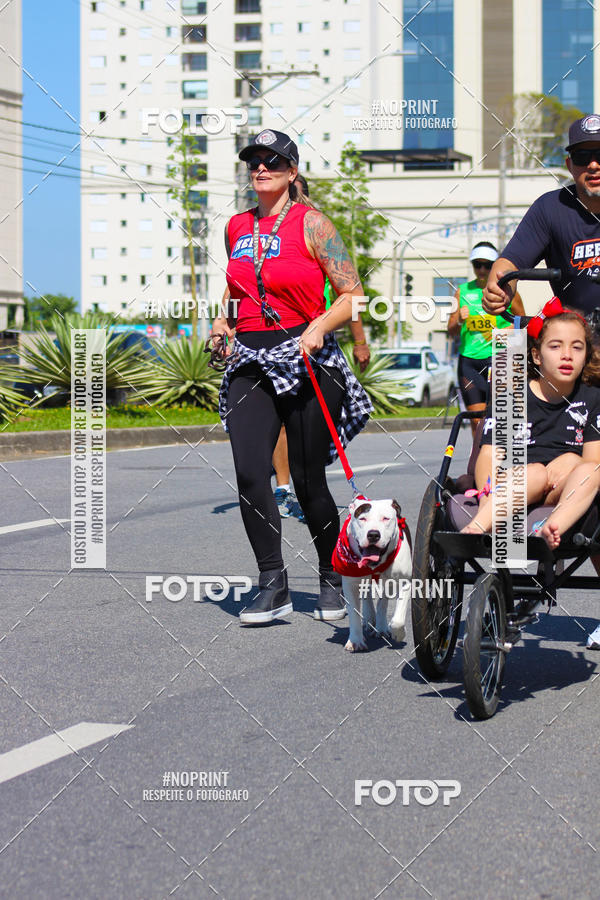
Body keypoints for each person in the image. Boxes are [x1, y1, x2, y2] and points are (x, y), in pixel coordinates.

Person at [210, 129, 372, 625]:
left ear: (292, 171)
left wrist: (322, 326)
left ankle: (329, 574)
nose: (261, 168)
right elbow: (236, 289)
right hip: (249, 359)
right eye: (254, 161)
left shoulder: (314, 225)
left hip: (305, 355)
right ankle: (272, 583)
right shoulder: (236, 226)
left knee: (307, 480)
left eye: (273, 161)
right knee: (250, 472)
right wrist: (222, 321)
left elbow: (352, 295)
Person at [482, 114, 600, 649]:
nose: (594, 165)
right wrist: (496, 283)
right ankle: (521, 563)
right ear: (570, 164)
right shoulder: (553, 208)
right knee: (509, 367)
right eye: (583, 157)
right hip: (575, 353)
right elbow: (510, 260)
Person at [271, 173, 371, 520]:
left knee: (309, 429)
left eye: (295, 194)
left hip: (320, 345)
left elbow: (350, 294)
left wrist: (359, 342)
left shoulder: (316, 233)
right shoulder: (267, 239)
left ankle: (307, 482)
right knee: (282, 420)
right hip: (278, 346)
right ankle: (283, 487)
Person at [460, 308, 600, 555]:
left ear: (586, 354)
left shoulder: (592, 398)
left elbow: (592, 462)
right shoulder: (513, 397)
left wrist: (571, 462)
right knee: (535, 473)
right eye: (555, 347)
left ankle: (554, 525)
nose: (567, 355)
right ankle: (480, 524)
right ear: (537, 355)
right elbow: (490, 455)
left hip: (560, 489)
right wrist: (487, 496)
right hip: (514, 483)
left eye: (577, 348)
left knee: (592, 469)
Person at [447, 241, 524, 435]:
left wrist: (510, 330)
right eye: (477, 264)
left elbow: (524, 323)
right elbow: (450, 330)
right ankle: (478, 462)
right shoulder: (462, 291)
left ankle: (501, 460)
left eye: (487, 265)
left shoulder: (507, 291)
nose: (481, 270)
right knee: (477, 421)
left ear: (494, 265)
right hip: (470, 362)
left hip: (499, 360)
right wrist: (458, 321)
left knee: (501, 418)